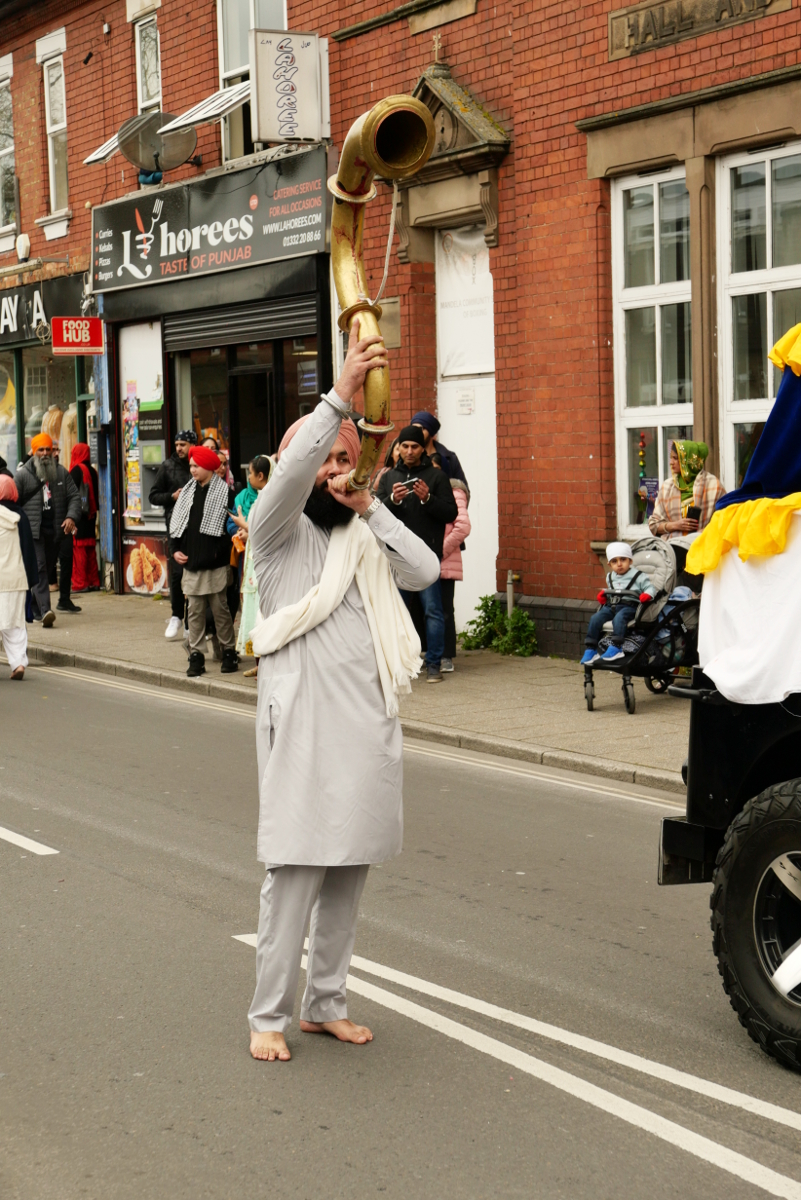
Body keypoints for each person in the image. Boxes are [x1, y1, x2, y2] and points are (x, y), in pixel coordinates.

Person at [246, 320, 439, 1063]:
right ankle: (268, 1014)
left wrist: (372, 506)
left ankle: (324, 1003)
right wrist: (339, 398)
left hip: (364, 726)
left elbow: (422, 571)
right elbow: (290, 473)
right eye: (324, 459)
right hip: (300, 727)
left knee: (348, 872)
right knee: (294, 872)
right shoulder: (275, 533)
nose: (333, 471)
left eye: (347, 461)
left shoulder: (363, 533)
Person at [376, 424, 458, 683]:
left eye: (414, 447)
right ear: (397, 448)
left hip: (426, 556)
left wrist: (427, 499)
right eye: (404, 446)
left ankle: (433, 664)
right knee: (397, 610)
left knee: (432, 610)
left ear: (423, 449)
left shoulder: (436, 477)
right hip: (397, 557)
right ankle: (401, 662)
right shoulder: (389, 477)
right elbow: (374, 512)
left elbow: (451, 513)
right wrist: (393, 500)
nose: (409, 451)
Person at [170, 444, 238, 677]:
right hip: (191, 565)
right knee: (195, 613)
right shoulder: (188, 492)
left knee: (221, 611)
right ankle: (197, 655)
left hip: (216, 565)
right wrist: (174, 549)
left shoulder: (225, 493)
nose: (192, 470)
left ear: (208, 467)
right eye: (190, 466)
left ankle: (229, 651)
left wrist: (218, 553)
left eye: (196, 466)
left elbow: (231, 528)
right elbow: (178, 525)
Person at [15, 432, 81, 626]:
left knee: (48, 566)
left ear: (53, 452)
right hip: (33, 532)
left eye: (48, 450)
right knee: (41, 567)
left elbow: (74, 498)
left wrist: (71, 517)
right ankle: (46, 611)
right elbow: (13, 502)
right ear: (34, 452)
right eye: (40, 450)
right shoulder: (23, 476)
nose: (45, 453)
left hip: (56, 531)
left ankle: (35, 608)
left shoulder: (61, 473)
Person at [149, 430, 196, 639]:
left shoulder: (198, 465)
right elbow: (153, 495)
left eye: (183, 444)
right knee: (177, 573)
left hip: (197, 527)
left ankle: (190, 621)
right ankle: (176, 616)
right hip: (176, 526)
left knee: (194, 574)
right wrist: (172, 496)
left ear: (193, 444)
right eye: (177, 444)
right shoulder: (167, 467)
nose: (179, 448)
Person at [231, 454, 273, 677]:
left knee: (262, 612)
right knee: (254, 611)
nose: (248, 477)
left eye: (250, 473)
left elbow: (266, 531)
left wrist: (243, 525)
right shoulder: (260, 498)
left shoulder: (268, 499)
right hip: (252, 562)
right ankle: (259, 662)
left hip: (263, 565)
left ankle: (265, 662)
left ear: (260, 475)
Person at [581, 541, 656, 665]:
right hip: (612, 606)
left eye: (623, 559)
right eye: (614, 561)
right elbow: (612, 591)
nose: (619, 564)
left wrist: (646, 595)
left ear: (630, 561)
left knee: (619, 619)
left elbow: (650, 588)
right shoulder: (610, 577)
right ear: (609, 564)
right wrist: (604, 595)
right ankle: (591, 649)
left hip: (630, 606)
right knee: (595, 618)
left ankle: (616, 647)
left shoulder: (639, 576)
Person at [431, 453, 471, 673]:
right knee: (428, 608)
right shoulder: (425, 491)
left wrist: (440, 550)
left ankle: (447, 656)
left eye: (437, 468)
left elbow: (462, 526)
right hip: (428, 560)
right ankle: (431, 653)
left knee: (445, 608)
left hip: (445, 561)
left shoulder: (454, 492)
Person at [649, 440, 725, 541]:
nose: (671, 462)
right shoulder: (667, 487)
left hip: (704, 547)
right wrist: (675, 525)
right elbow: (654, 525)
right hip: (674, 549)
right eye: (671, 458)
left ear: (689, 460)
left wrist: (703, 532)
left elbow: (725, 520)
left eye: (675, 458)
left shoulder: (713, 485)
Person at [0, 475, 38, 680]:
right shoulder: (20, 517)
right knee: (15, 623)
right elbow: (28, 551)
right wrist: (31, 580)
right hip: (15, 579)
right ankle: (18, 664)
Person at [68, 443, 100, 592]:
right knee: (90, 549)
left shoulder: (76, 470)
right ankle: (93, 580)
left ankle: (80, 583)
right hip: (91, 515)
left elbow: (69, 493)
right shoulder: (93, 471)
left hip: (78, 516)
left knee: (78, 549)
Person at [410, 410, 468, 486]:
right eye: (413, 429)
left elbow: (462, 489)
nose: (416, 433)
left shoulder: (449, 458)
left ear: (430, 431)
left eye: (420, 429)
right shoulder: (409, 456)